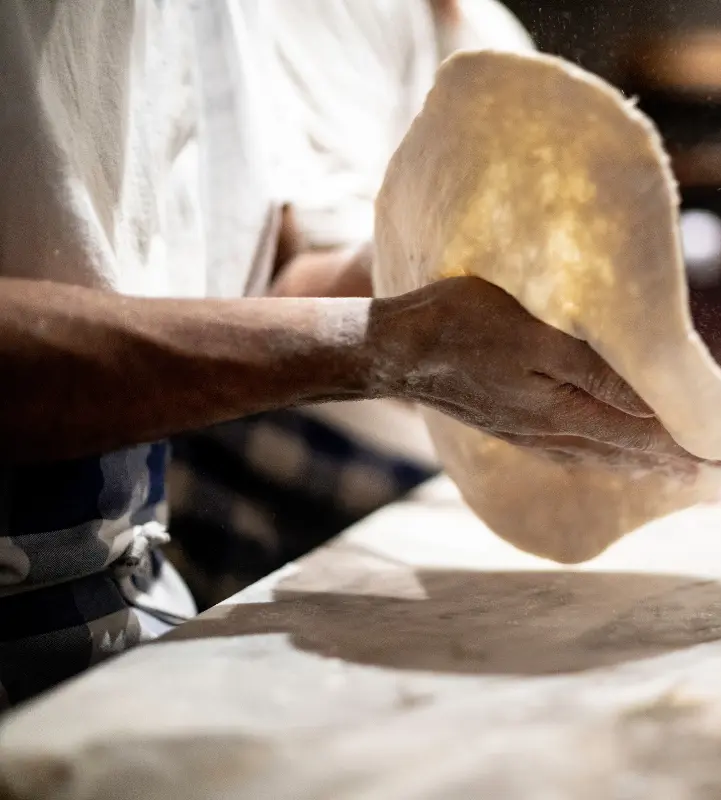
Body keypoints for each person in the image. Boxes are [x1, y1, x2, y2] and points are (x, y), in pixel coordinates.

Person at [0, 0, 694, 709]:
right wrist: (393, 343)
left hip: (137, 583)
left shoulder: (203, 19)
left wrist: (444, 269)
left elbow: (268, 268)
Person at [163, 0, 532, 609]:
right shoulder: (323, 12)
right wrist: (448, 277)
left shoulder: (486, 33)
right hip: (296, 432)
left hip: (437, 442)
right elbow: (286, 284)